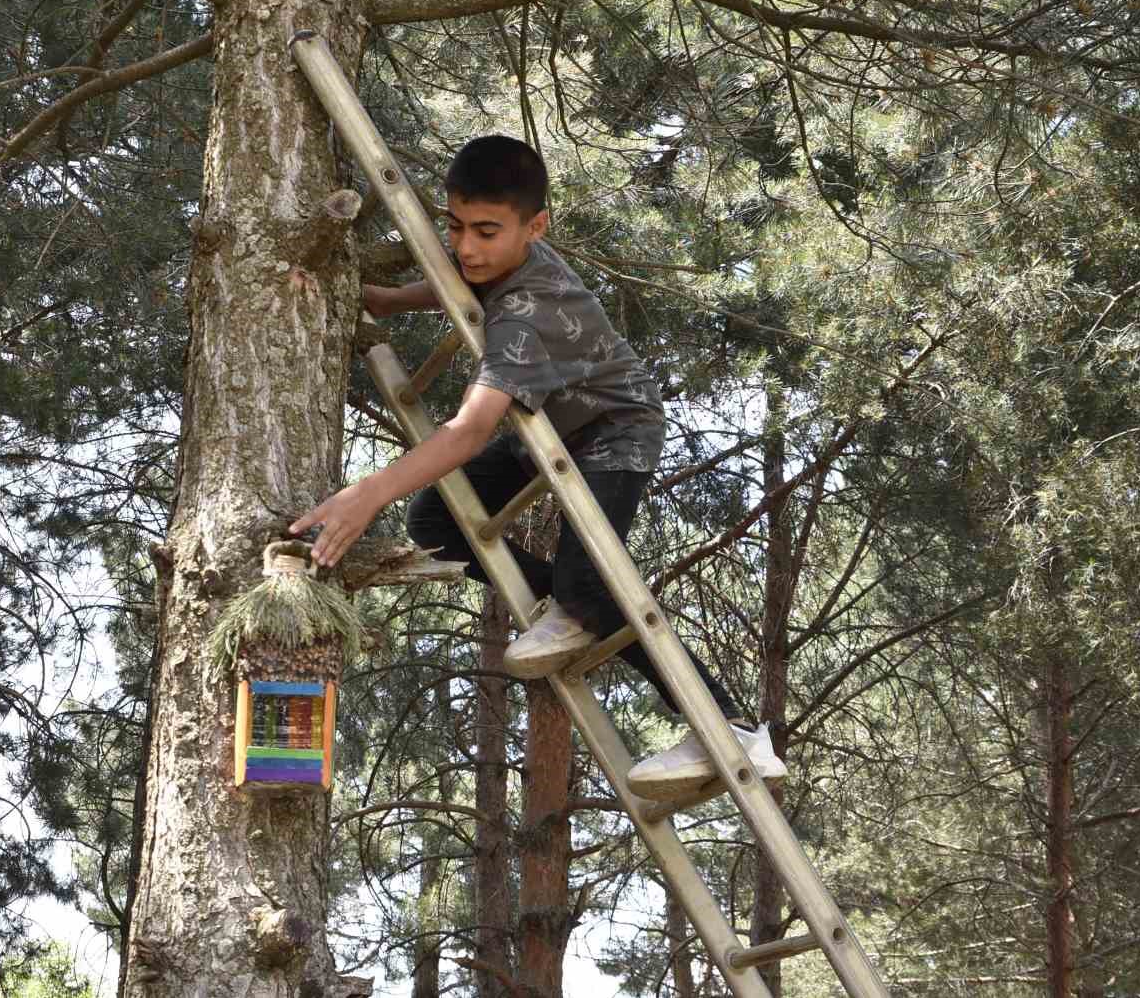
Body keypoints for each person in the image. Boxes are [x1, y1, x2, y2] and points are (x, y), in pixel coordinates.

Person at [289, 135, 784, 800]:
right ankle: (577, 599)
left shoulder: (526, 317)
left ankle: (731, 725)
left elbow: (468, 431)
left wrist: (366, 493)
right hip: (549, 425)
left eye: (487, 231)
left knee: (591, 586)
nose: (466, 246)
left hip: (614, 430)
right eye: (455, 226)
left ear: (536, 226)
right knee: (438, 518)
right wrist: (390, 299)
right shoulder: (506, 263)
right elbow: (470, 279)